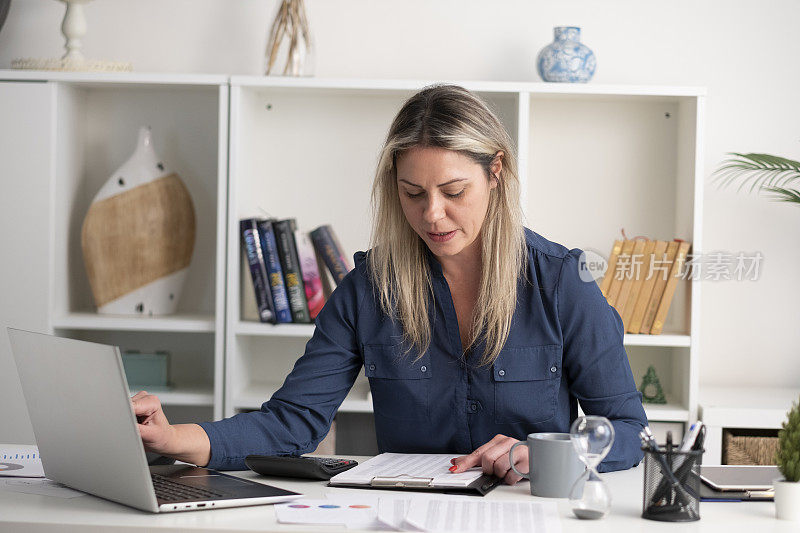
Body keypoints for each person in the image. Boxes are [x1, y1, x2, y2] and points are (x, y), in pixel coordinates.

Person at [133, 84, 648, 485]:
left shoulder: (563, 282)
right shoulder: (368, 289)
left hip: (527, 513)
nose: (432, 214)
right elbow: (292, 422)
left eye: (453, 191)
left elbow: (628, 430)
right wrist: (170, 436)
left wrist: (549, 453)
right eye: (412, 193)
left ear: (496, 172)